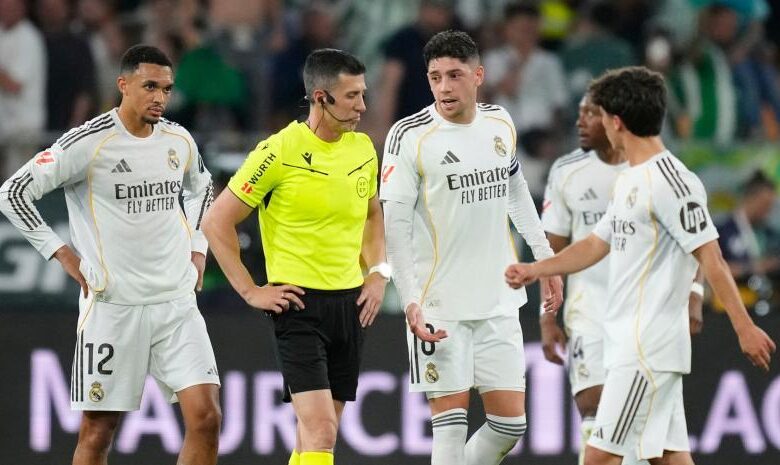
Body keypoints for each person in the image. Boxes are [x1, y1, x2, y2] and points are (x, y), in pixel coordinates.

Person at [506, 66, 775, 465]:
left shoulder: (673, 182)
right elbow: (594, 245)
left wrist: (744, 327)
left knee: (599, 457)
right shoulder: (632, 180)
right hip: (632, 344)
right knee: (669, 458)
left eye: (601, 117)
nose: (599, 125)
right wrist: (536, 270)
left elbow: (711, 257)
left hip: (646, 349)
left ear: (617, 122)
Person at [0, 45, 221, 465]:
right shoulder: (88, 142)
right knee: (98, 432)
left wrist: (197, 246)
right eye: (150, 86)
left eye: (167, 89)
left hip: (176, 303)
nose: (160, 97)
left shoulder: (179, 139)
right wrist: (60, 252)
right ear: (123, 84)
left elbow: (202, 187)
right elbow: (12, 193)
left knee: (207, 418)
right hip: (113, 306)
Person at [380, 30, 563, 465]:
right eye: (435, 77)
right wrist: (409, 299)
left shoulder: (500, 122)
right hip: (439, 306)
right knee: (449, 432)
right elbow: (395, 226)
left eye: (454, 75)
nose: (444, 87)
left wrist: (545, 259)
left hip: (498, 300)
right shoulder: (409, 135)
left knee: (510, 426)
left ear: (478, 76)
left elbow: (516, 191)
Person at [201, 48, 387, 465]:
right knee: (321, 430)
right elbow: (216, 222)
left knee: (313, 437)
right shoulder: (278, 151)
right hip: (298, 306)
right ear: (321, 97)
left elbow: (373, 215)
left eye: (363, 94)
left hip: (351, 304)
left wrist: (378, 272)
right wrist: (251, 291)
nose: (362, 105)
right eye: (352, 95)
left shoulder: (363, 150)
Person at [540, 89, 705, 465]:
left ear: (614, 120)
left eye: (590, 113)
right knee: (595, 408)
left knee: (649, 439)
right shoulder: (566, 171)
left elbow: (696, 242)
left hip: (644, 317)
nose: (580, 121)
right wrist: (547, 317)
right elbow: (555, 246)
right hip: (590, 311)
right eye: (579, 112)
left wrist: (695, 291)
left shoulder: (656, 172)